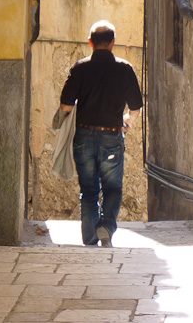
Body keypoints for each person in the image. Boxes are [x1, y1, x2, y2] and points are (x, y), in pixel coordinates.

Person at [57, 20, 143, 248]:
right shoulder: (124, 69)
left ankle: (90, 239)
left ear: (90, 42)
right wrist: (128, 121)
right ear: (113, 42)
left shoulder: (79, 68)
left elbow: (65, 106)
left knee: (89, 191)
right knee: (112, 188)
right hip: (111, 137)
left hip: (83, 137)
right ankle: (106, 227)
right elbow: (136, 107)